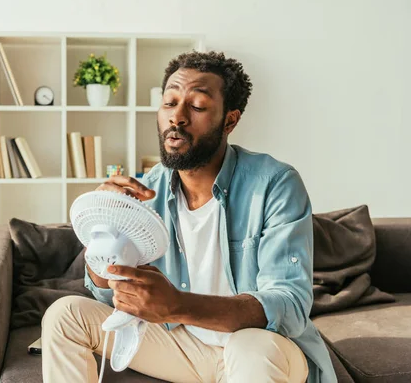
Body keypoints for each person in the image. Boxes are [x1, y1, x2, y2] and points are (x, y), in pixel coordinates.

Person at [41, 51, 337, 383]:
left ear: (230, 120)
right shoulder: (144, 193)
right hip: (181, 348)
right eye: (169, 103)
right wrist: (103, 231)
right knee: (64, 315)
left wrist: (177, 305)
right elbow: (108, 296)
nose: (177, 117)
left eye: (196, 106)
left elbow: (290, 305)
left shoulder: (274, 184)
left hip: (258, 348)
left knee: (250, 347)